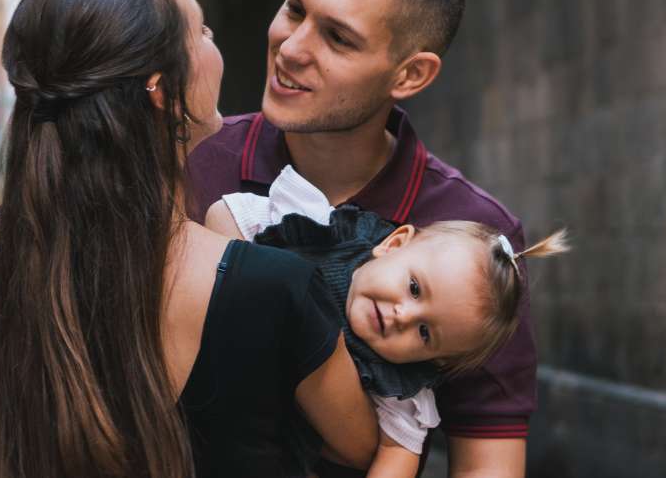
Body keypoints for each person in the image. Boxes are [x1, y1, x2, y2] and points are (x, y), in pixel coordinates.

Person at [0, 0, 381, 478]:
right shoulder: (273, 289)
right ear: (162, 89)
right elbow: (365, 449)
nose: (216, 45)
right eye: (202, 32)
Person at [189, 0, 539, 478]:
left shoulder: (474, 233)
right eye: (295, 9)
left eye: (338, 38)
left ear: (410, 75)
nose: (292, 48)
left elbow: (487, 462)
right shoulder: (192, 164)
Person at [207, 165, 570, 476]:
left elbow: (399, 454)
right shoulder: (316, 233)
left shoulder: (399, 387)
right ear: (394, 244)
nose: (403, 316)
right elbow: (223, 215)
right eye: (414, 288)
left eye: (425, 333)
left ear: (436, 361)